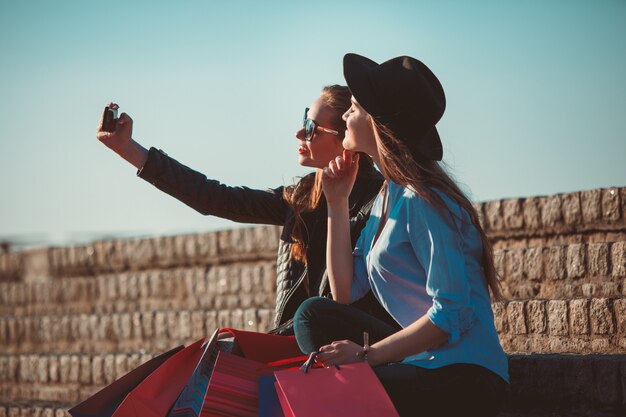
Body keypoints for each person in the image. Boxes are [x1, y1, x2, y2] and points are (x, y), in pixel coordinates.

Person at [293, 55, 509, 416]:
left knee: (334, 398)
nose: (346, 114)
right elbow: (343, 292)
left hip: (464, 376)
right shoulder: (387, 195)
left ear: (378, 124)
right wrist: (337, 203)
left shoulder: (424, 199)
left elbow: (451, 312)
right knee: (311, 315)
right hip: (423, 361)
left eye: (356, 108)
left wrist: (367, 356)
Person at [95, 85, 394, 335]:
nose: (298, 134)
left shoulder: (379, 201)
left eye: (310, 128)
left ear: (344, 139)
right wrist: (129, 150)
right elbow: (216, 198)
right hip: (294, 340)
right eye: (304, 120)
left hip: (342, 351)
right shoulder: (302, 196)